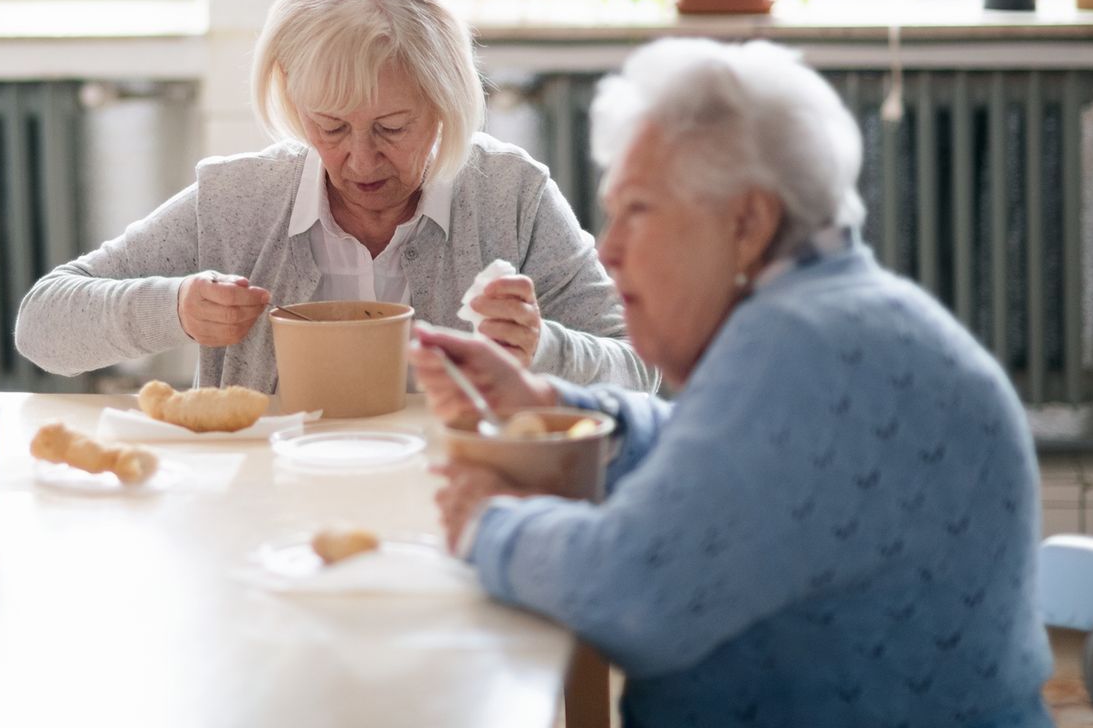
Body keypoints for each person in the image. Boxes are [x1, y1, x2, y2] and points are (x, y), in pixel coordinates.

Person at [415, 37, 1054, 727]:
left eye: (637, 211)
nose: (610, 248)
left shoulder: (796, 346)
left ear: (747, 223)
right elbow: (729, 454)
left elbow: (634, 591)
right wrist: (551, 405)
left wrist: (487, 521)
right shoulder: (838, 314)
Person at [16, 0, 653, 391]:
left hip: (455, 492)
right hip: (270, 506)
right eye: (330, 127)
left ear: (445, 104)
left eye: (392, 128)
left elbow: (639, 369)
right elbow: (41, 325)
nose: (361, 159)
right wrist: (175, 308)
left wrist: (544, 350)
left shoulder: (511, 195)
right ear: (294, 105)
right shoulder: (238, 201)